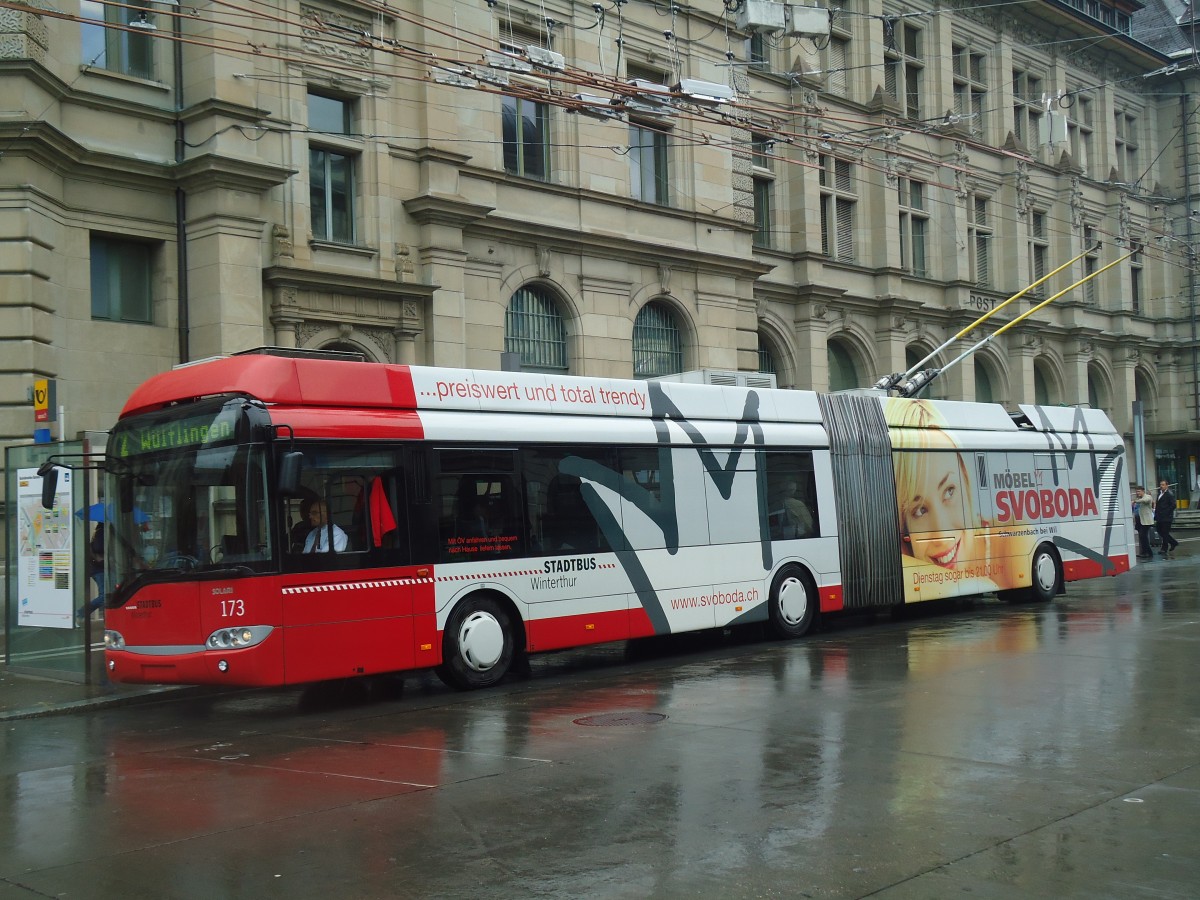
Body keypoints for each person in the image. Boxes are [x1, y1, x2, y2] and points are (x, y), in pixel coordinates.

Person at [888, 399, 1034, 595]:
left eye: (949, 491)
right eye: (920, 510)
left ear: (965, 479)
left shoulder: (1012, 537)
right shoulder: (899, 552)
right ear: (903, 525)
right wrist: (971, 584)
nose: (942, 532)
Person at [1154, 479, 1180, 558]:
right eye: (1160, 484)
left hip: (1166, 517)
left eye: (1163, 485)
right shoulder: (1160, 493)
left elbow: (1173, 505)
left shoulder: (1169, 494)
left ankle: (1164, 549)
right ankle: (1173, 542)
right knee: (1159, 530)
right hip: (1160, 517)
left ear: (1167, 486)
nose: (1161, 486)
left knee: (1164, 533)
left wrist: (1166, 512)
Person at [1132, 486, 1154, 559]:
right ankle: (1144, 552)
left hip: (1145, 521)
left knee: (1143, 536)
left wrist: (1135, 501)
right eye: (1137, 491)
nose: (1137, 493)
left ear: (1142, 491)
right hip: (1139, 520)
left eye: (1139, 491)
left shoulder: (1147, 497)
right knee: (1141, 537)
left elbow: (1145, 500)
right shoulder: (1138, 499)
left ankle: (1149, 552)